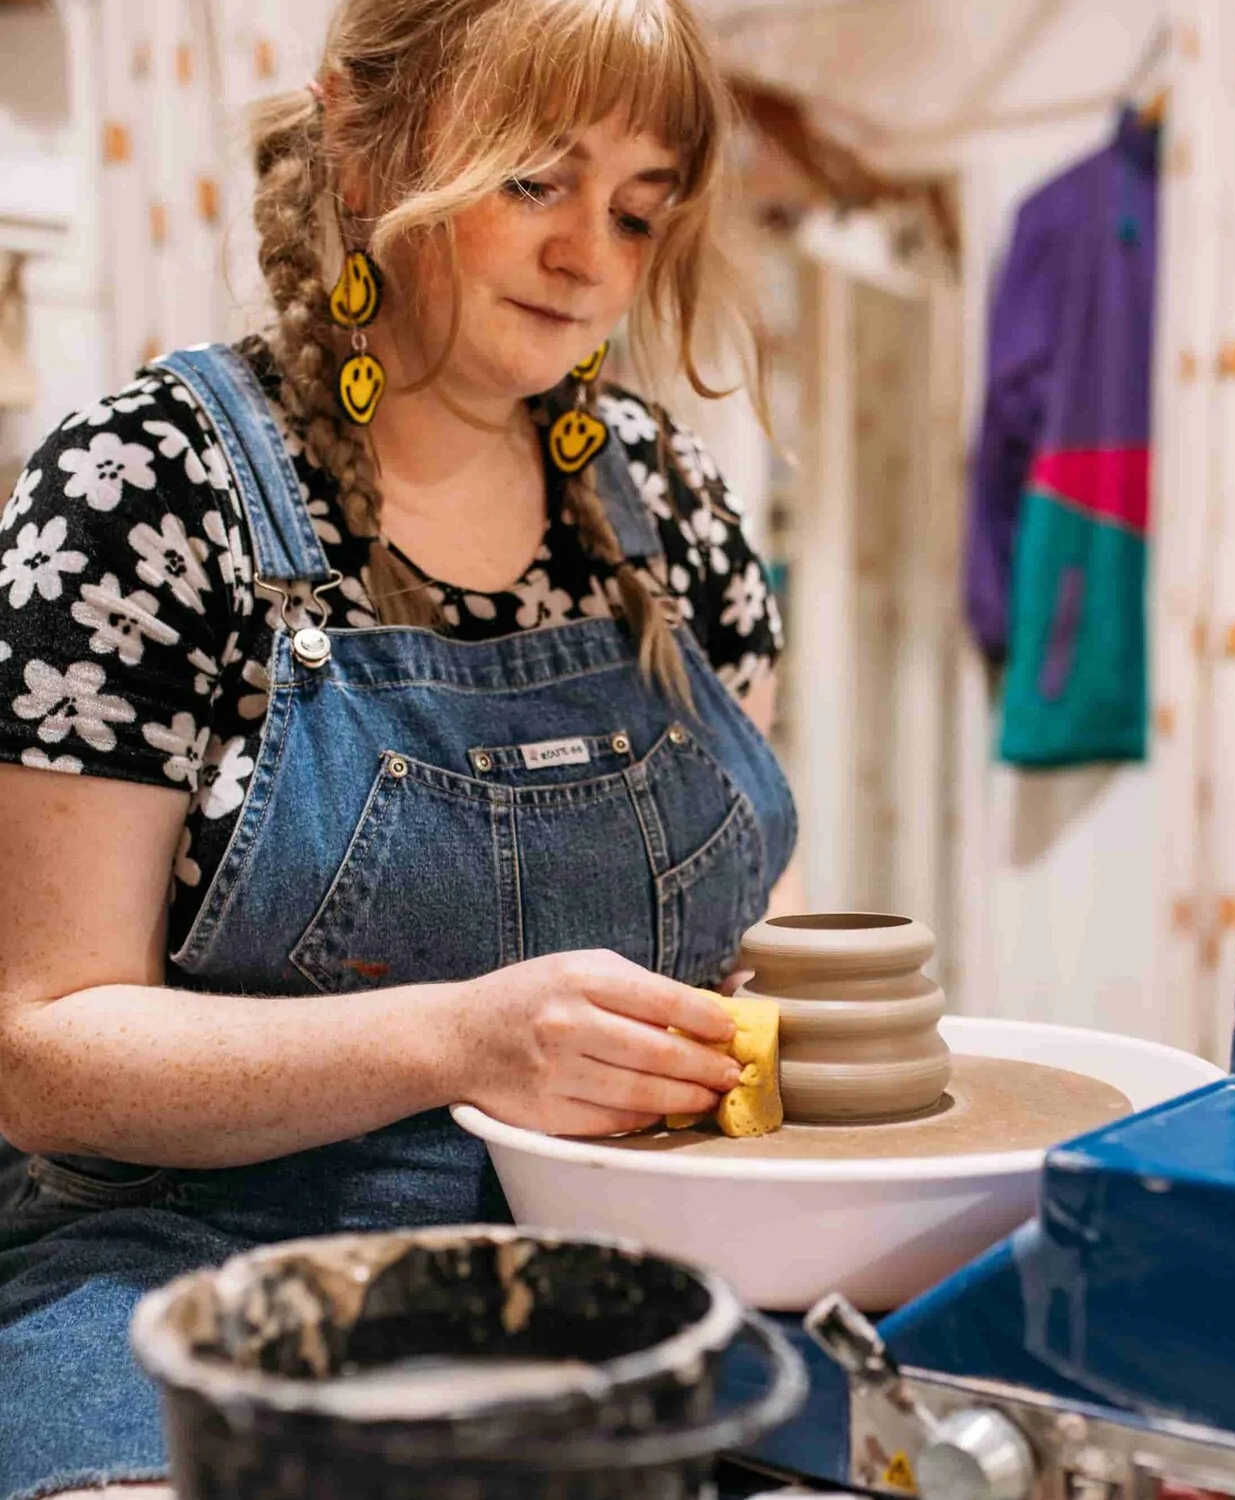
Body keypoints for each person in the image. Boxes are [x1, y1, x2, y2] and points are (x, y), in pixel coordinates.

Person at [0, 1, 797, 1493]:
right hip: (206, 1291)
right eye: (534, 183)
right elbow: (39, 1045)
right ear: (366, 147)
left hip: (644, 1272)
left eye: (638, 211)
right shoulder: (149, 492)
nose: (591, 262)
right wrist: (461, 1039)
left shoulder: (671, 513)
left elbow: (745, 933)